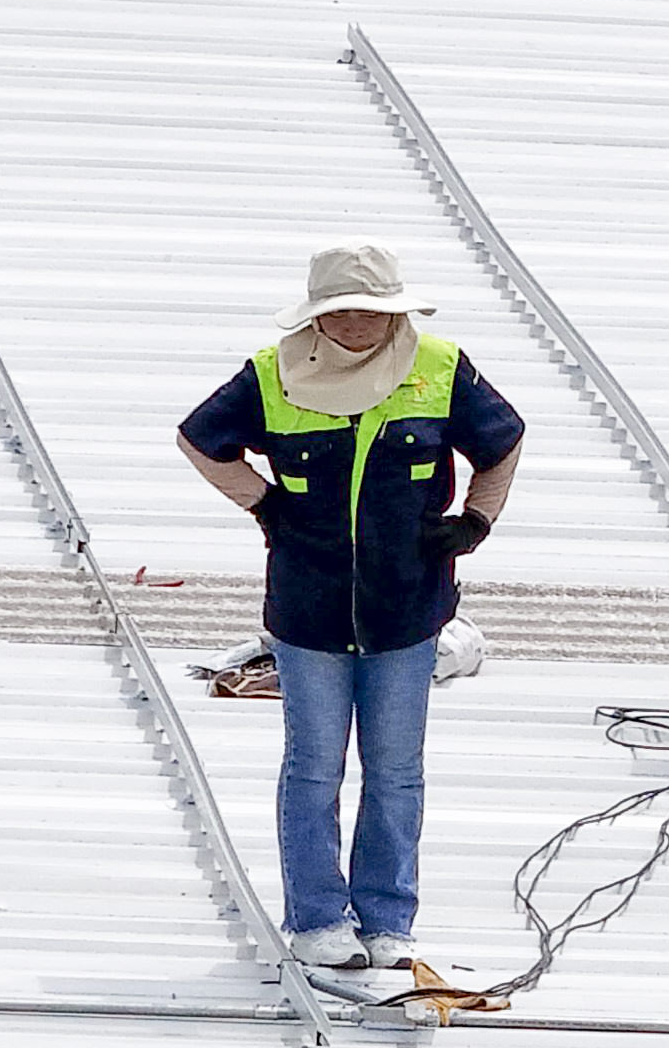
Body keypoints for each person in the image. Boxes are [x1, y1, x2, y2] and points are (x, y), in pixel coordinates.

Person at [175, 244, 526, 983]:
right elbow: (199, 438)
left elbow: (505, 440)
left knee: (396, 770)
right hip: (308, 611)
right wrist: (264, 502)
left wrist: (475, 522)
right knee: (313, 768)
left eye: (374, 310)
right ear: (317, 314)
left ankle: (389, 919)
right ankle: (317, 919)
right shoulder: (272, 373)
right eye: (343, 311)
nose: (360, 323)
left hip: (408, 609)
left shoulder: (439, 365)